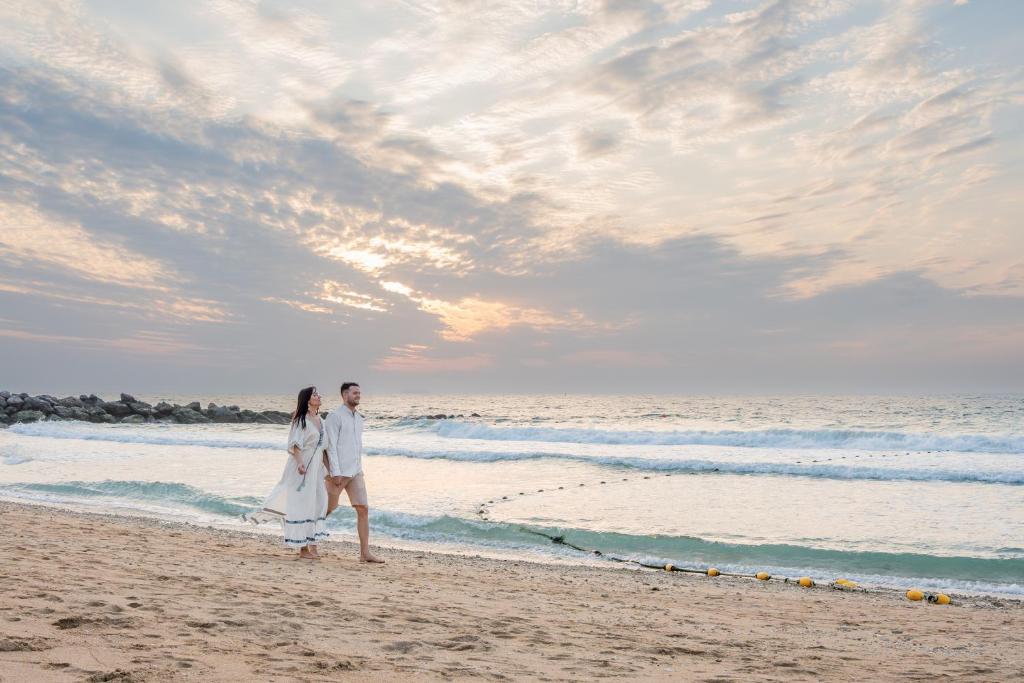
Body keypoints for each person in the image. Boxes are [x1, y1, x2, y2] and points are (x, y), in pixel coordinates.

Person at [258, 386, 329, 559]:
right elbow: (295, 445)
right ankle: (303, 548)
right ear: (307, 399)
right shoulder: (300, 420)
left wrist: (330, 469)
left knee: (319, 502)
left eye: (318, 394)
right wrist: (299, 463)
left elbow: (324, 448)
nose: (319, 396)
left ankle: (313, 543)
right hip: (301, 466)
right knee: (301, 504)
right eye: (315, 394)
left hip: (316, 468)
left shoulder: (321, 420)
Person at [325, 382, 384, 563]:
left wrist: (359, 467)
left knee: (363, 509)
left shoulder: (359, 418)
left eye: (359, 392)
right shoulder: (334, 417)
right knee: (327, 509)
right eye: (354, 392)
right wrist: (335, 472)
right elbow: (330, 446)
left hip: (356, 471)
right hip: (338, 472)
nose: (358, 395)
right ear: (344, 395)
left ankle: (365, 553)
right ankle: (309, 542)